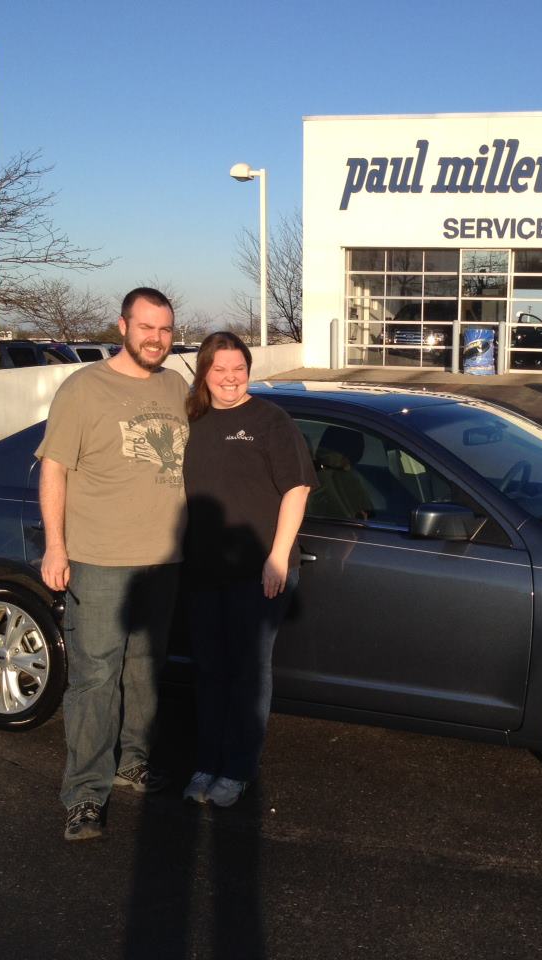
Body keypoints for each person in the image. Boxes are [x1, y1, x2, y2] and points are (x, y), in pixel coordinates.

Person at [37, 287, 188, 842]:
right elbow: (54, 469)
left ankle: (133, 761)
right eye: (147, 327)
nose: (156, 338)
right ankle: (84, 794)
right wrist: (57, 546)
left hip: (164, 560)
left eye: (166, 329)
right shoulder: (84, 388)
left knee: (146, 670)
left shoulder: (175, 385)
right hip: (100, 559)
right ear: (122, 326)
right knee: (95, 678)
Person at [180, 332, 315, 808]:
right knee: (211, 670)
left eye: (238, 369)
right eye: (220, 370)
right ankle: (207, 762)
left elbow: (296, 490)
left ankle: (237, 768)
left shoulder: (270, 420)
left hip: (259, 570)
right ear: (204, 372)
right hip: (202, 570)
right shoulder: (190, 419)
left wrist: (277, 557)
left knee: (249, 671)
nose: (230, 379)